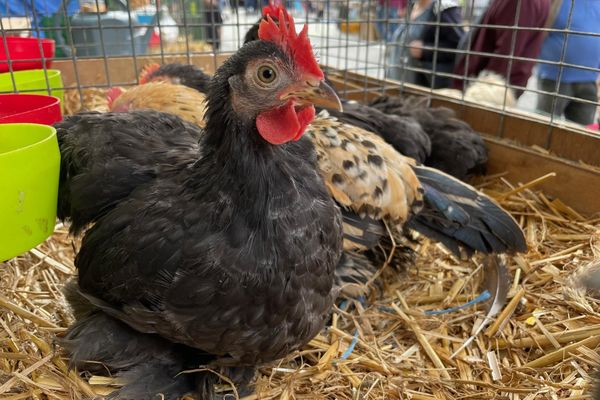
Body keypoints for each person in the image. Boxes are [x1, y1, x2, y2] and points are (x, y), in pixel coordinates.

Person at [453, 0, 552, 99]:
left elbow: (506, 54)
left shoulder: (520, 3)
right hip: (495, 84)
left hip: (488, 90)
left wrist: (483, 92)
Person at [536, 0, 600, 126]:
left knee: (581, 136)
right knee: (543, 129)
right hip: (554, 77)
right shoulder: (557, 2)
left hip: (589, 80)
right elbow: (538, 31)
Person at [386, 0, 464, 89]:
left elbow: (459, 46)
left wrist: (426, 50)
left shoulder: (443, 9)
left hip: (421, 89)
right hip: (396, 82)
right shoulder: (412, 5)